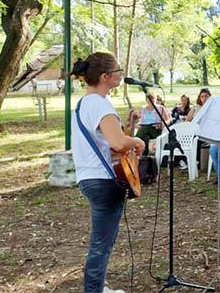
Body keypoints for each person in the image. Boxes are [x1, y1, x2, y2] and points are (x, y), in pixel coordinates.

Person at [70, 53, 145, 293]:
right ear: (105, 77)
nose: (121, 74)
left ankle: (98, 287)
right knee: (102, 244)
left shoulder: (84, 103)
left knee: (103, 241)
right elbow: (117, 144)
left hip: (88, 177)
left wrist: (126, 128)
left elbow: (105, 142)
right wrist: (136, 141)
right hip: (103, 181)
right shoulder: (101, 104)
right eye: (118, 70)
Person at [133, 92, 167, 157]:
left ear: (155, 99)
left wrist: (161, 124)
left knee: (146, 128)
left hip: (156, 130)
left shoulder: (160, 108)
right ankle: (143, 157)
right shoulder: (143, 109)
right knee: (146, 137)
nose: (150, 101)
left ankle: (134, 143)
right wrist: (136, 123)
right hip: (144, 130)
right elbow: (136, 119)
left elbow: (168, 120)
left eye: (152, 99)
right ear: (146, 100)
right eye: (148, 99)